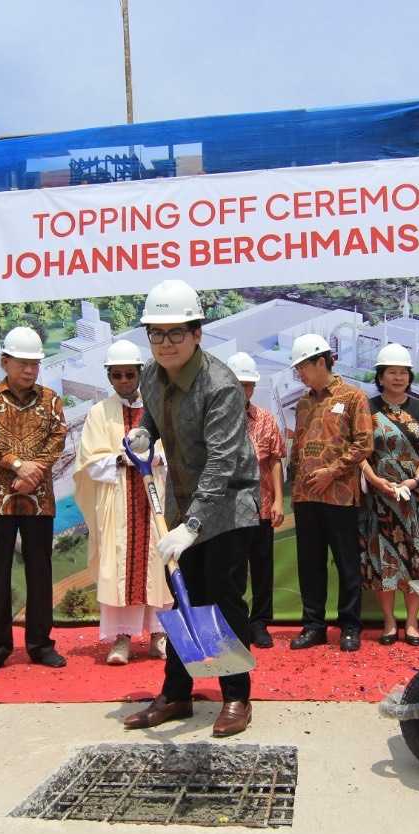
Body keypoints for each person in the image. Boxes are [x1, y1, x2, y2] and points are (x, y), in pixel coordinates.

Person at [120, 279, 260, 738]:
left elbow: (222, 463)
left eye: (175, 332)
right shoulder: (149, 375)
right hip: (181, 505)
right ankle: (177, 693)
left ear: (197, 333)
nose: (165, 343)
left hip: (229, 508)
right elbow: (154, 421)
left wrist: (194, 525)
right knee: (182, 600)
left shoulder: (220, 386)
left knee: (222, 599)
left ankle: (236, 695)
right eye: (156, 334)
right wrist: (144, 435)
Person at [0, 326, 69, 674]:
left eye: (35, 364)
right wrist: (17, 465)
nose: (29, 370)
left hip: (38, 499)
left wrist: (35, 470)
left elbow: (58, 438)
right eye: (23, 363)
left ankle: (41, 645)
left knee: (40, 571)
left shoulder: (51, 399)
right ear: (5, 361)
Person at [73, 339, 171, 665]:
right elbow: (89, 460)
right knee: (119, 567)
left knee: (159, 563)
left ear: (141, 373)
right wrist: (122, 459)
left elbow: (176, 449)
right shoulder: (99, 413)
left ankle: (160, 635)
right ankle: (122, 639)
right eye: (117, 375)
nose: (125, 381)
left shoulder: (159, 408)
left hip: (154, 497)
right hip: (118, 503)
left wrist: (155, 457)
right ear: (109, 377)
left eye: (130, 374)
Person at [287, 333, 375, 652]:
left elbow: (364, 443)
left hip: (339, 495)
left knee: (346, 563)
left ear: (320, 362)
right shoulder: (303, 402)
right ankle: (314, 626)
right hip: (305, 497)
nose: (300, 374)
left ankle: (350, 626)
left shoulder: (353, 397)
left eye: (303, 367)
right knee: (310, 563)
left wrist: (331, 472)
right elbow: (297, 447)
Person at [358, 343, 419, 646]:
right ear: (380, 377)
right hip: (380, 497)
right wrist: (375, 480)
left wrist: (416, 481)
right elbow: (358, 451)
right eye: (391, 372)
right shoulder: (367, 408)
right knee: (384, 558)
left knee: (417, 558)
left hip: (416, 499)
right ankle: (388, 622)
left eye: (403, 372)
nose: (398, 377)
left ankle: (411, 623)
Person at [226, 352, 286, 649]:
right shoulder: (216, 420)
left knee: (262, 568)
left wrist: (278, 501)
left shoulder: (265, 419)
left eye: (248, 385)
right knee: (232, 570)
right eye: (238, 384)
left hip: (261, 505)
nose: (244, 390)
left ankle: (259, 623)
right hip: (227, 510)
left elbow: (275, 461)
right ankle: (235, 623)